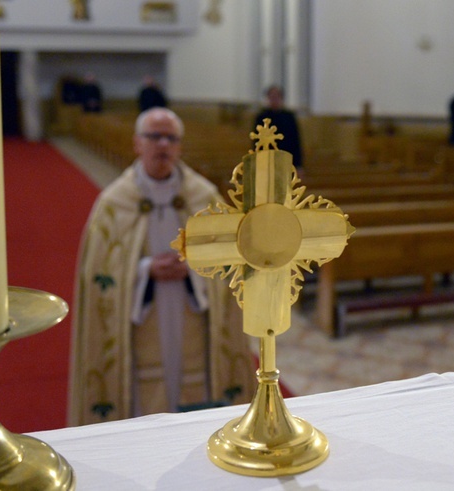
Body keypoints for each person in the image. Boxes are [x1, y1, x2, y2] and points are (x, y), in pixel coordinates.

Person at [68, 107, 254, 426]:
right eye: (154, 136)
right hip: (143, 325)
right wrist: (144, 270)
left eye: (171, 138)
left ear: (180, 146)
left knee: (197, 398)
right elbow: (99, 274)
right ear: (137, 144)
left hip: (191, 316)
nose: (163, 145)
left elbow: (229, 264)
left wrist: (195, 269)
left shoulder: (204, 198)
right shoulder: (114, 204)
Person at [253, 85, 303, 171]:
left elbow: (296, 141)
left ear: (281, 98)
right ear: (268, 98)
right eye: (272, 97)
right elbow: (257, 141)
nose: (274, 99)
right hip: (267, 159)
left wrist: (298, 165)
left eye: (277, 96)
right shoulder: (261, 117)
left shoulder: (289, 117)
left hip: (286, 158)